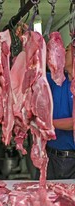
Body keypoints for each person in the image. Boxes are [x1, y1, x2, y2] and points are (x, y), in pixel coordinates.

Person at [44, 43, 75, 179]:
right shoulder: (56, 80)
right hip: (49, 155)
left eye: (67, 51)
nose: (62, 53)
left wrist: (46, 124)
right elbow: (34, 72)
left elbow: (73, 123)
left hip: (69, 159)